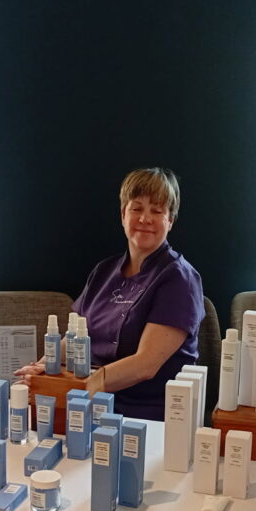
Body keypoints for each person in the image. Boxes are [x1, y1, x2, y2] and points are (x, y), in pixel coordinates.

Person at [16, 168, 204, 420]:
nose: (145, 218)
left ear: (170, 220)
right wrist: (42, 368)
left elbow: (145, 365)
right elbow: (74, 338)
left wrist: (81, 386)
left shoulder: (179, 279)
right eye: (136, 208)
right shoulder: (104, 271)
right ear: (123, 215)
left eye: (157, 211)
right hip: (89, 402)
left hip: (149, 415)